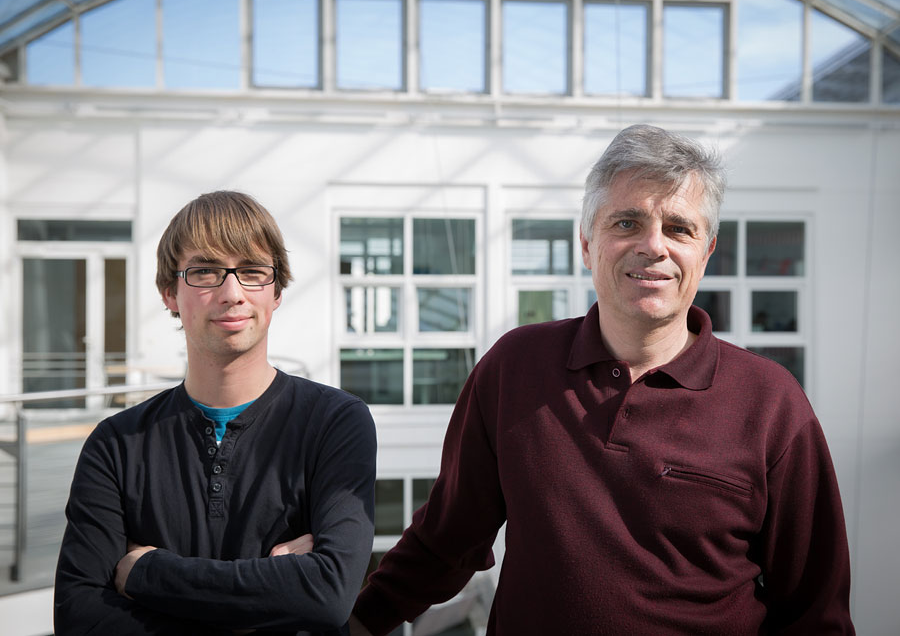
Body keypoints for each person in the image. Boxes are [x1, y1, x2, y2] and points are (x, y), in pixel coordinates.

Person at [350, 125, 854, 635]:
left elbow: (817, 610)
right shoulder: (515, 368)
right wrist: (357, 623)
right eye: (627, 222)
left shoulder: (771, 403)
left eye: (679, 228)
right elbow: (446, 540)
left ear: (706, 253)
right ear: (587, 245)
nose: (653, 246)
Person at [54, 191, 377, 635]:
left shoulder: (336, 422)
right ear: (170, 292)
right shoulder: (116, 444)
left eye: (252, 272)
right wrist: (273, 599)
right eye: (205, 271)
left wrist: (147, 573)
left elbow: (329, 595)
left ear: (276, 291)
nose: (231, 293)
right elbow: (81, 618)